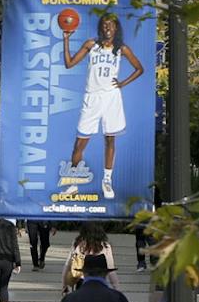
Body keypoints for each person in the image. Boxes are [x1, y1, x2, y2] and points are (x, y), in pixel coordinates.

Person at [60, 14, 147, 201]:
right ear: (101, 28)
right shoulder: (91, 45)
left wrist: (122, 83)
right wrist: (66, 40)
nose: (108, 27)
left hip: (111, 98)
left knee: (110, 140)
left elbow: (139, 68)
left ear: (116, 28)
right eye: (105, 24)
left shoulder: (121, 49)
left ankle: (107, 180)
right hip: (91, 97)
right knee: (79, 143)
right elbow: (69, 64)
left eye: (111, 25)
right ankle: (73, 182)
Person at [62, 223, 118, 295]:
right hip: (100, 281)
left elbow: (68, 264)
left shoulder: (78, 244)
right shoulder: (105, 246)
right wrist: (116, 288)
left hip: (82, 282)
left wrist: (64, 284)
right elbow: (111, 269)